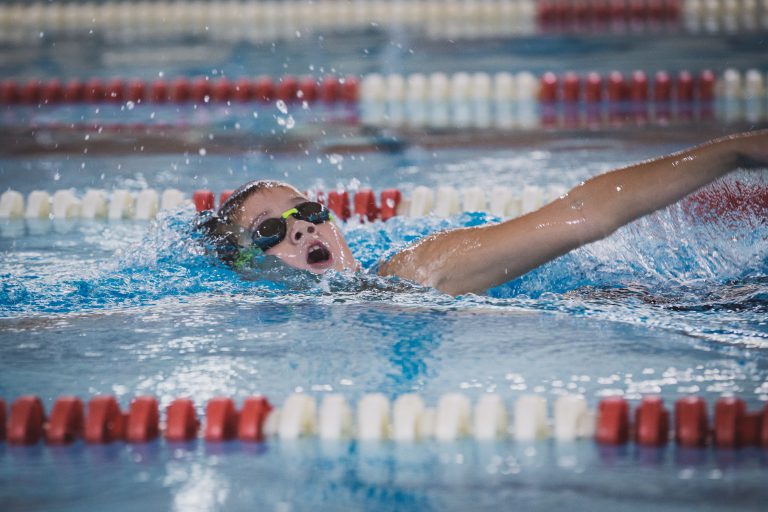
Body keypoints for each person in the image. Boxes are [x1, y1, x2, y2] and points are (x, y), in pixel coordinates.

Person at [197, 130, 768, 296]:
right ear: (247, 268)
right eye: (270, 230)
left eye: (307, 208)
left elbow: (585, 213)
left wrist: (732, 151)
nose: (302, 226)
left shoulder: (417, 271)